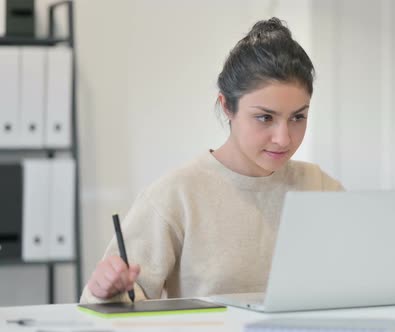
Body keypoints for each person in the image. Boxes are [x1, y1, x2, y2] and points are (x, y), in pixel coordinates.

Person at [80, 17, 343, 303]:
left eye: (298, 117)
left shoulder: (321, 188)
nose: (283, 138)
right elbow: (112, 300)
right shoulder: (177, 195)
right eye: (265, 117)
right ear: (227, 107)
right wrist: (106, 292)